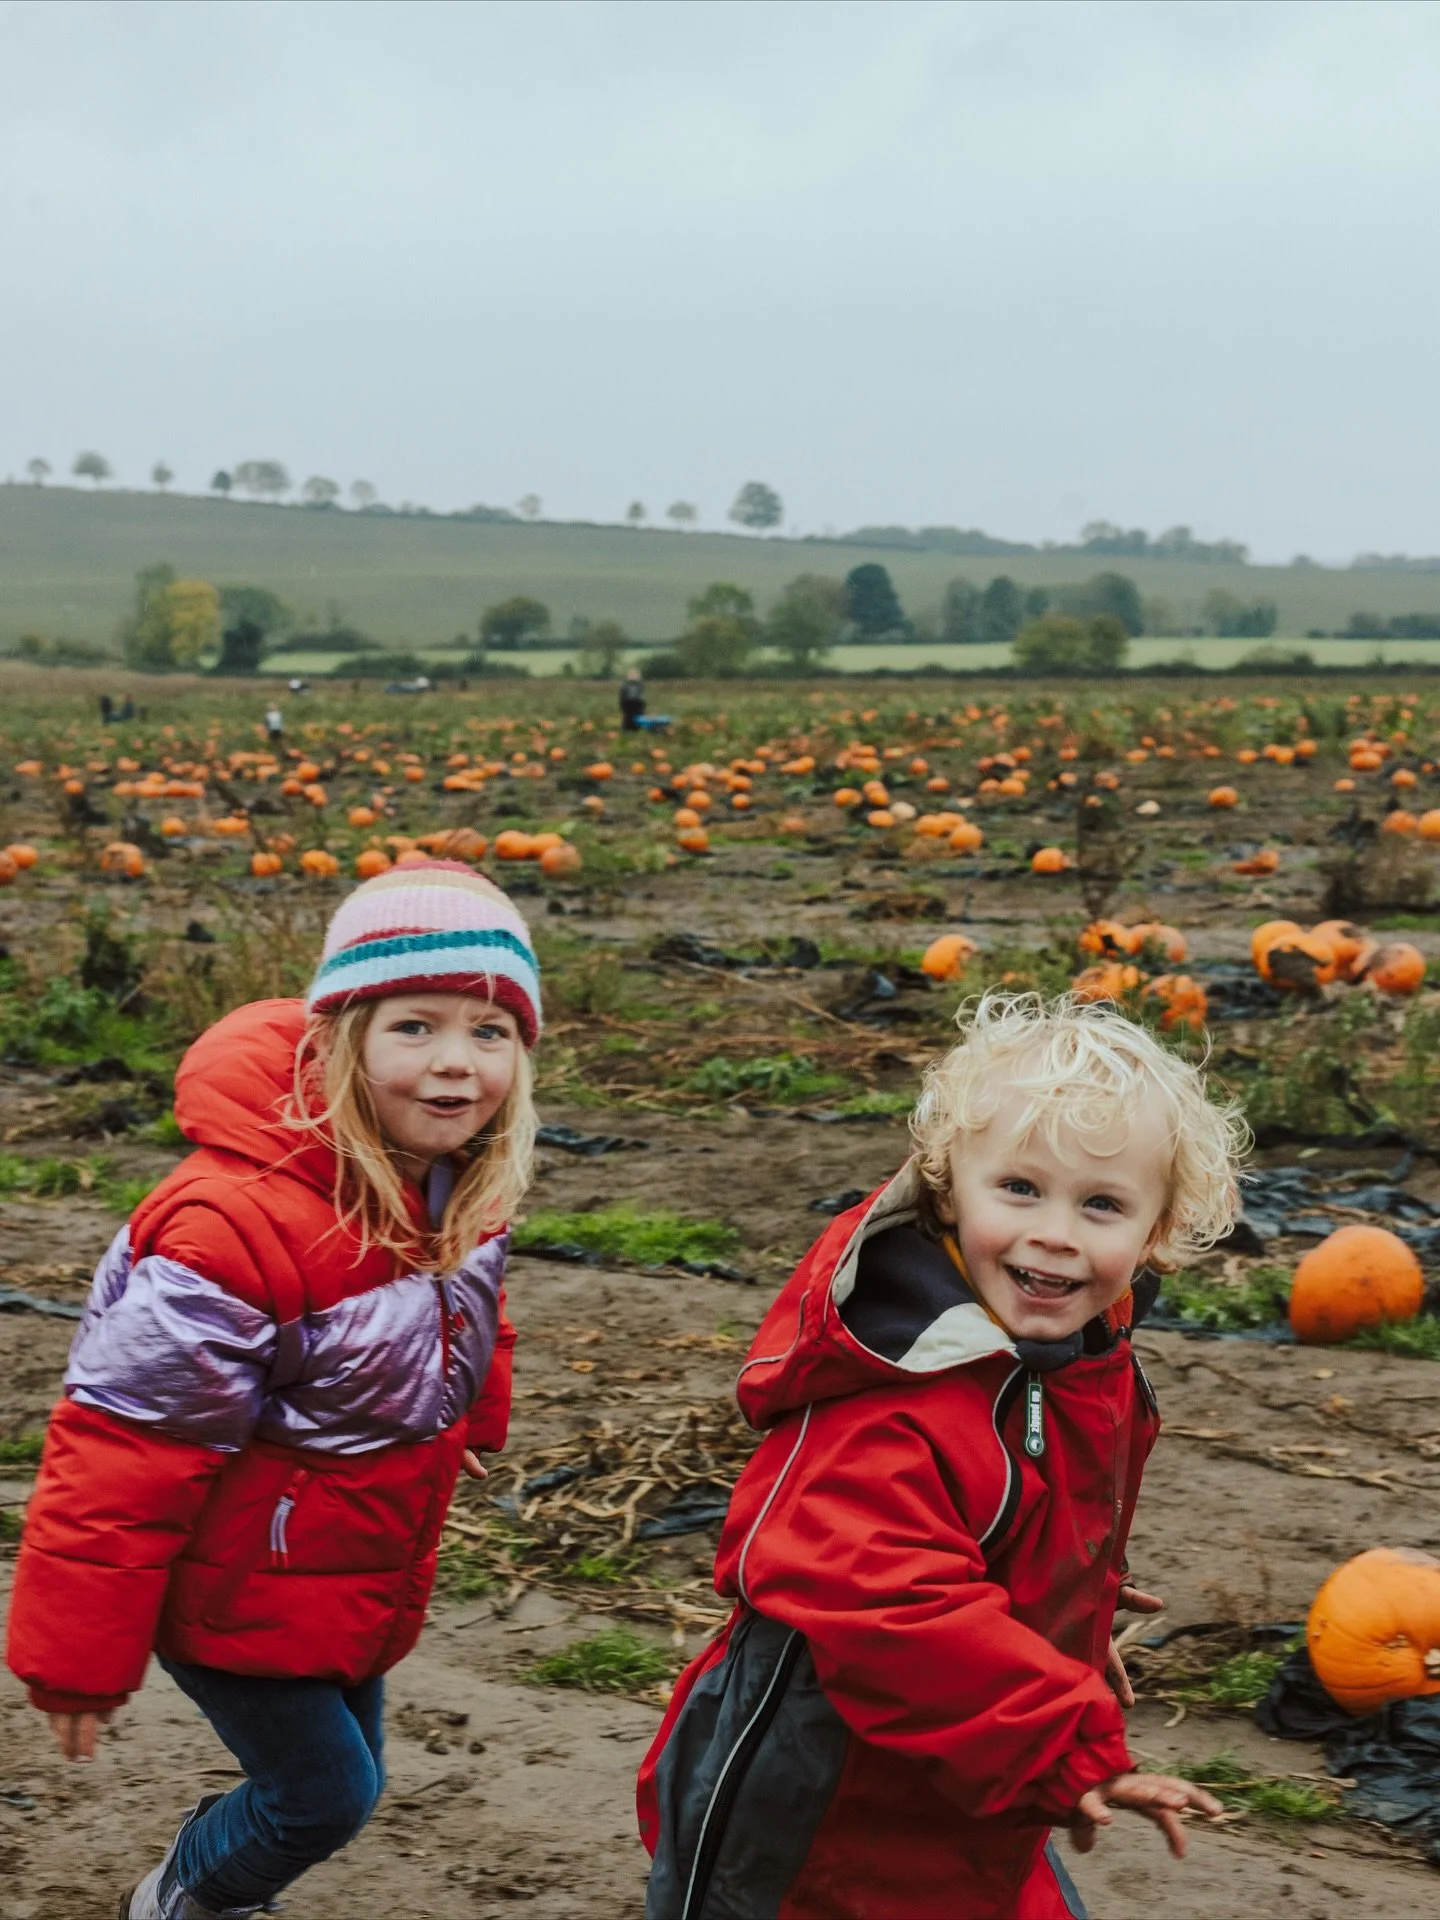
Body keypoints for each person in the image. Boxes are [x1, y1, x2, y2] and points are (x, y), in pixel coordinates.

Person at [6, 861, 542, 1920]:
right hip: (234, 1575)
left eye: (490, 1034)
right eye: (415, 1026)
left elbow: (470, 1300)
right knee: (324, 1798)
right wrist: (76, 1655)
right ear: (343, 1037)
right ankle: (183, 1903)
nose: (455, 1064)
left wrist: (475, 1406)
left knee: (341, 1779)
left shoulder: (451, 1182)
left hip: (348, 1561)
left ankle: (213, 1873)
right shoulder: (230, 1230)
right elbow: (124, 1448)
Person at [638, 992, 1246, 1920]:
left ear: (1156, 1234)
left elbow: (1004, 1507)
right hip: (812, 1809)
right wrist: (1060, 1734)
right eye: (1018, 1189)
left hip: (966, 1777)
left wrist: (1071, 1602)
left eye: (1102, 1205)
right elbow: (887, 1598)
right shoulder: (896, 1396)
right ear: (946, 1184)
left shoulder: (1079, 1359)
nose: (1055, 1230)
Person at [619, 665, 646, 730]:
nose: (633, 677)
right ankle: (627, 727)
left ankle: (637, 727)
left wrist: (642, 702)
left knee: (638, 715)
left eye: (635, 675)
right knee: (628, 716)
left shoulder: (640, 684)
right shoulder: (625, 684)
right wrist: (623, 703)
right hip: (627, 702)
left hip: (638, 702)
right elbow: (622, 694)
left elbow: (641, 694)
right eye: (632, 675)